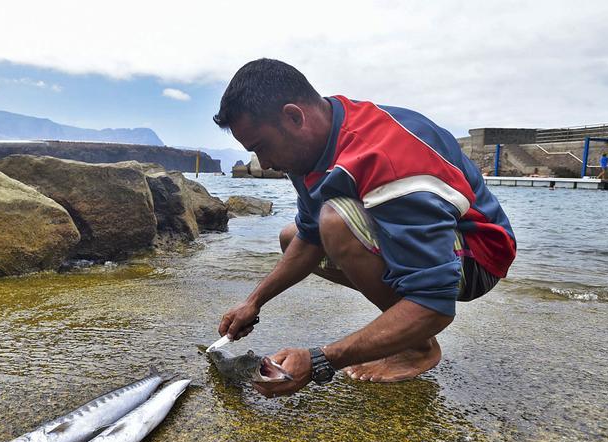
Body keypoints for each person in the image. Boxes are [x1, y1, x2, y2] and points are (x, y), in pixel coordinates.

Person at [213, 59, 516, 398]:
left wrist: (319, 360)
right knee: (293, 237)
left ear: (294, 117)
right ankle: (405, 326)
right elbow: (310, 235)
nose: (264, 163)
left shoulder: (385, 156)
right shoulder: (309, 148)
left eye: (261, 146)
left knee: (336, 221)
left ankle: (418, 347)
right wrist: (254, 301)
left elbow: (436, 304)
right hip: (415, 235)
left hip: (478, 254)